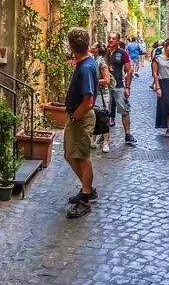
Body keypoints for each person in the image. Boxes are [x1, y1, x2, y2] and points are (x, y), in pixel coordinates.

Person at [64, 28, 99, 218]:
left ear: (71, 46)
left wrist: (75, 117)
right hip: (78, 116)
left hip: (81, 117)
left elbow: (88, 102)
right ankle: (88, 189)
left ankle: (86, 198)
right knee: (71, 155)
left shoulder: (85, 68)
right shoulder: (87, 62)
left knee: (83, 157)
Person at [107, 32, 136, 144]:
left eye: (113, 38)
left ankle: (127, 134)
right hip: (106, 87)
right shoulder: (105, 53)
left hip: (119, 86)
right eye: (109, 38)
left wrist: (128, 87)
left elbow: (129, 70)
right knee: (105, 111)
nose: (110, 40)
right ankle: (103, 135)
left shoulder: (123, 53)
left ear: (118, 41)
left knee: (124, 111)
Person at [91, 42, 112, 153]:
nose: (91, 47)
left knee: (103, 118)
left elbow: (107, 80)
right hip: (95, 94)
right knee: (95, 116)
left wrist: (92, 81)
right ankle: (93, 140)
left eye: (94, 46)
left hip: (102, 95)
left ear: (97, 49)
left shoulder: (102, 62)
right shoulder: (94, 60)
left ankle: (105, 142)